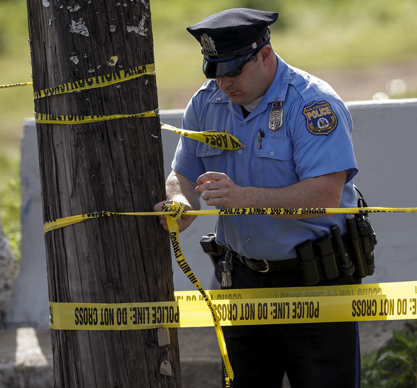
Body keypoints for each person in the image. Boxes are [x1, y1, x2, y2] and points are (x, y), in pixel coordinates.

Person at [154, 8, 374, 388]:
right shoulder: (206, 103)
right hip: (240, 281)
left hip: (315, 282)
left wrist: (243, 198)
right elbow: (184, 172)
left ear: (265, 55)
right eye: (215, 72)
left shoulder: (311, 104)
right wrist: (181, 202)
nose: (224, 83)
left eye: (234, 71)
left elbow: (326, 195)